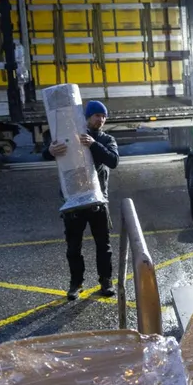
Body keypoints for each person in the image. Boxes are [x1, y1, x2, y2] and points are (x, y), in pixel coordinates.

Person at [44, 100, 120, 300]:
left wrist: (94, 145)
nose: (101, 120)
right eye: (97, 115)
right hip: (73, 202)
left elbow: (113, 161)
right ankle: (76, 284)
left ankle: (106, 281)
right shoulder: (71, 136)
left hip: (98, 201)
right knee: (73, 247)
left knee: (104, 246)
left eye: (104, 116)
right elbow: (48, 152)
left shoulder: (106, 139)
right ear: (87, 117)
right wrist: (49, 151)